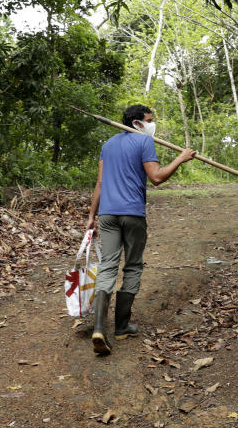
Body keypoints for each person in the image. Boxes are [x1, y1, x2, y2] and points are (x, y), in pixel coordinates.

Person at [85, 104, 196, 355]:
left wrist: (91, 216)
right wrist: (180, 158)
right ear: (137, 123)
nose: (151, 123)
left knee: (108, 266)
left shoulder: (108, 145)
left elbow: (100, 182)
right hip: (133, 214)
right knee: (133, 265)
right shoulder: (144, 141)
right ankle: (121, 326)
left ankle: (99, 328)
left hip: (108, 215)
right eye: (149, 119)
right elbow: (156, 177)